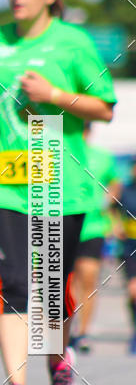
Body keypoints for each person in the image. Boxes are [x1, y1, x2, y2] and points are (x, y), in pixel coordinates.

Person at [0, 0, 116, 385]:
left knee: (53, 293)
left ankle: (58, 362)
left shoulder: (73, 44)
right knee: (12, 282)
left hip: (59, 185)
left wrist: (55, 97)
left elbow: (104, 108)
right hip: (4, 186)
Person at [68, 124, 121, 353]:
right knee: (67, 282)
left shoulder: (102, 157)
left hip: (93, 227)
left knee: (88, 278)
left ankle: (84, 332)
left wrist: (108, 199)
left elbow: (115, 181)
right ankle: (67, 329)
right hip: (65, 224)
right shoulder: (61, 154)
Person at [115, 158, 136, 354]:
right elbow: (114, 211)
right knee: (133, 291)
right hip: (130, 245)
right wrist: (116, 225)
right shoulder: (125, 190)